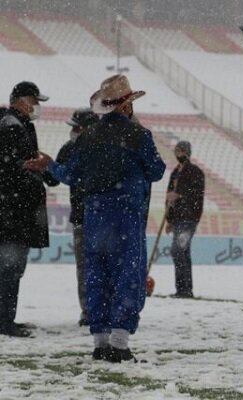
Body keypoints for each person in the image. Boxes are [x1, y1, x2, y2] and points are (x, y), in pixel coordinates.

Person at [24, 75, 165, 362]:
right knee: (128, 275)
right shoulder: (138, 135)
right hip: (126, 215)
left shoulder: (88, 136)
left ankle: (100, 341)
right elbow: (157, 171)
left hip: (95, 215)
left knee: (97, 275)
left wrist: (50, 164)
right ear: (126, 106)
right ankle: (120, 342)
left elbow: (70, 175)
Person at [0, 81, 58, 337]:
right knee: (9, 268)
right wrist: (33, 168)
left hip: (15, 211)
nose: (37, 107)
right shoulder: (11, 126)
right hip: (11, 212)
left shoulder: (20, 125)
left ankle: (7, 317)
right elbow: (14, 167)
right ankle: (4, 321)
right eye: (34, 101)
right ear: (21, 100)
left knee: (12, 269)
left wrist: (41, 168)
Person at [56, 108, 100, 326]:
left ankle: (100, 310)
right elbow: (53, 177)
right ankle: (89, 311)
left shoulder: (105, 148)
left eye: (76, 127)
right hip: (84, 217)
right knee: (86, 267)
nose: (72, 131)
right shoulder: (69, 148)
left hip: (101, 217)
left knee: (99, 266)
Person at [164, 140, 205, 298]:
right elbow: (169, 198)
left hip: (189, 218)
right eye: (176, 151)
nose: (178, 154)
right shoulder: (175, 172)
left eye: (181, 151)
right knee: (182, 252)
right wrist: (169, 219)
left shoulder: (195, 172)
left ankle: (184, 288)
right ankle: (184, 289)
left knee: (178, 249)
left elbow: (196, 195)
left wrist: (179, 196)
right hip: (178, 218)